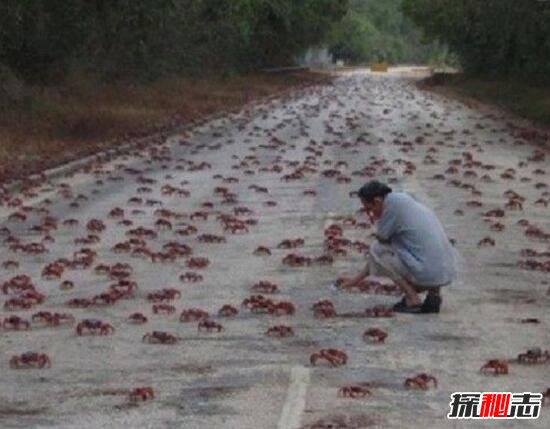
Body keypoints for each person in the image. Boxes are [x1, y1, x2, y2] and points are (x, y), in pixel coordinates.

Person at [340, 180, 457, 313]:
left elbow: (380, 247)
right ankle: (434, 296)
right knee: (420, 247)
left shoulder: (391, 209)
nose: (370, 214)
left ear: (377, 201)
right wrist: (355, 281)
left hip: (427, 274)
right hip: (445, 272)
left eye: (369, 209)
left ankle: (412, 298)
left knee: (377, 249)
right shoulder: (404, 200)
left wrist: (355, 281)